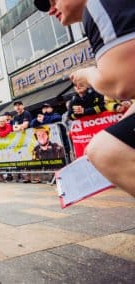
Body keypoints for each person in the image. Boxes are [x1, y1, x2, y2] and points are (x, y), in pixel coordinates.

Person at [34, 0, 135, 196]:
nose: (50, 9)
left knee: (106, 151)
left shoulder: (97, 5)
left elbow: (122, 84)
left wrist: (87, 74)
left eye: (52, 1)